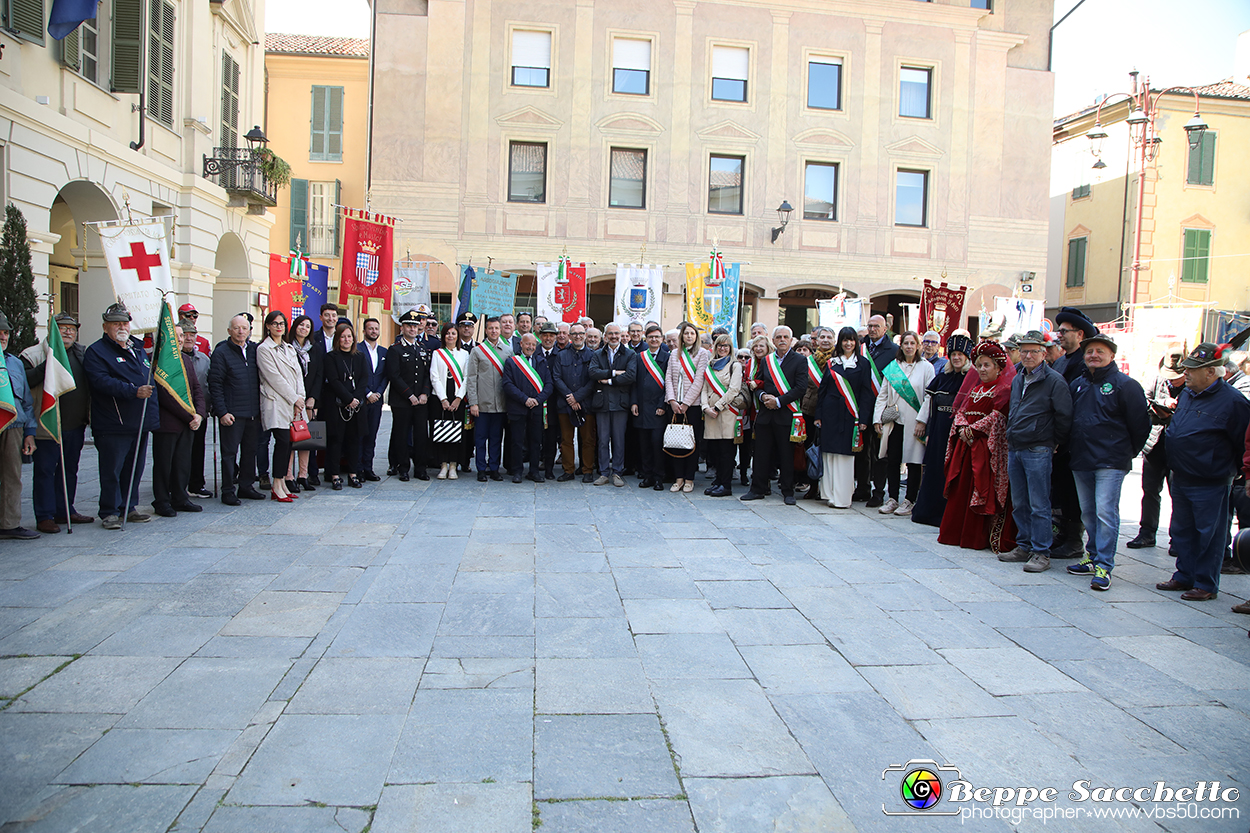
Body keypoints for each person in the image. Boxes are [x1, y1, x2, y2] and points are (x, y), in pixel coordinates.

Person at [1155, 344, 1250, 602]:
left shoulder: (1233, 402)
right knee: (1183, 529)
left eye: (1193, 369)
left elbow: (1243, 441)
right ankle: (1184, 575)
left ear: (1211, 372)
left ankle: (1206, 583)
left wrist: (1236, 470)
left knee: (1211, 534)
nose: (1186, 373)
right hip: (1182, 475)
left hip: (1211, 480)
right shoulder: (1188, 393)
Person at [1058, 333, 1149, 590]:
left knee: (1106, 512)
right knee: (1088, 512)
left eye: (1100, 351)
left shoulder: (1126, 385)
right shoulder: (1078, 384)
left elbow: (1140, 426)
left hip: (1111, 461)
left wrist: (1126, 453)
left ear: (1112, 355)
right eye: (1089, 352)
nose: (1093, 355)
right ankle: (1092, 555)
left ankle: (1104, 565)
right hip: (1081, 459)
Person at [998, 330, 1073, 573]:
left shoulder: (1054, 380)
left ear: (1044, 353)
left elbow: (1064, 416)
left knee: (1039, 503)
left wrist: (1053, 442)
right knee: (1020, 502)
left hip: (1038, 448)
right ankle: (1024, 545)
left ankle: (1041, 552)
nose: (1028, 355)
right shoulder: (1019, 377)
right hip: (1016, 446)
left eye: (1033, 351)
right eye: (1025, 351)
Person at [83, 302, 161, 528]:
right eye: (116, 323)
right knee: (112, 470)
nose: (121, 326)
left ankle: (129, 506)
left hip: (139, 421)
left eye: (125, 322)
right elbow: (101, 382)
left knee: (134, 468)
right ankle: (109, 511)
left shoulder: (137, 347)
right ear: (105, 326)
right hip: (113, 422)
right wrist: (133, 391)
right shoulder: (96, 351)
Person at [938, 340, 1017, 553]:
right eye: (979, 365)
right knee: (962, 488)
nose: (982, 369)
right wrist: (963, 427)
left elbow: (997, 417)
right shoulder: (976, 389)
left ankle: (976, 536)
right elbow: (962, 411)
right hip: (967, 447)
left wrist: (973, 430)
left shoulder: (1004, 389)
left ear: (999, 368)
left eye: (987, 365)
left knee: (981, 488)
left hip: (984, 450)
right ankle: (956, 532)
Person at [20, 312, 93, 533]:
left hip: (75, 424)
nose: (68, 331)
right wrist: (47, 365)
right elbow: (24, 383)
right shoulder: (32, 354)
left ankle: (65, 509)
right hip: (47, 425)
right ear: (52, 330)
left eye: (72, 328)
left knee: (69, 469)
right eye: (62, 328)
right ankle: (44, 515)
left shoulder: (82, 353)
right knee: (45, 471)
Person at [1049, 306, 1099, 557]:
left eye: (1064, 331)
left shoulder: (1084, 361)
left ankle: (1074, 541)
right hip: (1057, 435)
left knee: (1072, 491)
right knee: (1060, 489)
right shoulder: (1060, 360)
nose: (1059, 334)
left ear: (1080, 334)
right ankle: (1063, 534)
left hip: (1074, 438)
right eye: (1059, 330)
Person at [1128, 343, 1186, 549]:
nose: (1172, 379)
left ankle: (1177, 538)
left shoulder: (1192, 387)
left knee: (1177, 494)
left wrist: (1176, 410)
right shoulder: (1157, 379)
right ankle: (1146, 532)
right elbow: (1143, 401)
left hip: (1179, 447)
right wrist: (1161, 403)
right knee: (1150, 490)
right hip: (1154, 444)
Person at [741, 326, 807, 505]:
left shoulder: (800, 360)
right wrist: (762, 396)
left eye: (786, 337)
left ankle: (787, 491)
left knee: (786, 455)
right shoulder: (767, 360)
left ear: (791, 339)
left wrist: (778, 401)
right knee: (761, 454)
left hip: (786, 414)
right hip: (765, 414)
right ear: (774, 340)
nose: (782, 340)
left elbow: (801, 388)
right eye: (778, 337)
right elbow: (758, 385)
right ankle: (757, 489)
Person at [912, 334, 973, 526]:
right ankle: (928, 512)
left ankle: (949, 514)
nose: (956, 358)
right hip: (938, 431)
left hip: (957, 434)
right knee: (935, 470)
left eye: (960, 355)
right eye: (953, 354)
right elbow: (930, 403)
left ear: (967, 357)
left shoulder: (971, 379)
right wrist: (925, 426)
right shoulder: (942, 378)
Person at [872, 331, 934, 515]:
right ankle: (892, 498)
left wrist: (923, 420)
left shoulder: (926, 367)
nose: (908, 346)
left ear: (917, 346)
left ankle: (909, 500)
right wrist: (878, 418)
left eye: (912, 343)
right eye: (905, 343)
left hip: (915, 421)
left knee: (914, 462)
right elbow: (882, 395)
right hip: (894, 421)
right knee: (893, 460)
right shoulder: (893, 366)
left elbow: (930, 397)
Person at [208, 314, 266, 505]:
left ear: (250, 330)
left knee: (250, 452)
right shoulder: (221, 352)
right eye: (236, 328)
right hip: (232, 414)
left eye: (244, 328)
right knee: (229, 454)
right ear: (229, 331)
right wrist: (222, 412)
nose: (241, 331)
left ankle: (246, 486)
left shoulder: (255, 350)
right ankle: (227, 490)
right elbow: (215, 384)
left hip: (253, 413)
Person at [150, 322, 207, 516]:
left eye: (182, 336)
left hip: (188, 422)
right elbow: (165, 395)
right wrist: (189, 415)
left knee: (183, 463)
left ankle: (181, 498)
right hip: (168, 423)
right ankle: (162, 501)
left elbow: (197, 389)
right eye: (176, 336)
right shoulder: (158, 361)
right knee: (164, 465)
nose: (181, 339)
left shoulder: (185, 359)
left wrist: (199, 414)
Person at [815, 326, 871, 509]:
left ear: (856, 342)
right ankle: (829, 494)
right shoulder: (832, 363)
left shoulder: (863, 363)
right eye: (845, 340)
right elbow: (822, 391)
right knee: (829, 454)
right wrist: (819, 415)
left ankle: (842, 498)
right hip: (830, 414)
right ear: (840, 343)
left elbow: (866, 393)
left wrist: (863, 419)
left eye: (851, 340)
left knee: (845, 456)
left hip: (850, 415)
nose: (848, 343)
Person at [256, 311, 305, 503]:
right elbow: (274, 378)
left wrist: (300, 398)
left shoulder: (289, 347)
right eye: (275, 324)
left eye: (282, 324)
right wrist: (294, 398)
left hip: (294, 402)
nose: (279, 327)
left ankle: (283, 482)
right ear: (267, 326)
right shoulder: (264, 349)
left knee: (290, 443)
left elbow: (298, 374)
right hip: (276, 401)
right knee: (282, 441)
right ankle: (276, 483)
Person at [0, 312, 39, 538]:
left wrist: (30, 433)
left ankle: (9, 524)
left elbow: (25, 401)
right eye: (0, 333)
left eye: (5, 332)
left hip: (14, 427)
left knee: (12, 476)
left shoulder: (14, 363)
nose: (3, 337)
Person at [387, 310, 432, 482]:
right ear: (402, 327)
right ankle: (403, 467)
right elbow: (394, 375)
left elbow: (427, 373)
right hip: (402, 401)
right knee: (401, 435)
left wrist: (424, 393)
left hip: (421, 401)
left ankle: (420, 468)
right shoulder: (395, 349)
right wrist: (409, 395)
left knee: (421, 435)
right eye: (409, 326)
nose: (412, 329)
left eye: (415, 326)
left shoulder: (422, 348)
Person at [465, 316, 513, 481]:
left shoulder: (508, 351)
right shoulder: (477, 351)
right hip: (482, 405)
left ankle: (494, 468)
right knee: (480, 439)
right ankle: (480, 469)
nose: (494, 331)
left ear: (500, 330)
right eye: (490, 328)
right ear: (486, 330)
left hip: (501, 404)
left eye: (496, 328)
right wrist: (473, 403)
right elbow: (471, 379)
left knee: (496, 439)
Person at [664, 321, 710, 493]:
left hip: (693, 406)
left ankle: (689, 478)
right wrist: (672, 400)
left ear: (696, 336)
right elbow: (668, 378)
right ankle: (679, 478)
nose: (689, 336)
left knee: (691, 443)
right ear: (681, 336)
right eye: (686, 333)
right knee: (676, 443)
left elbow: (700, 380)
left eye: (692, 333)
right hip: (675, 405)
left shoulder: (703, 354)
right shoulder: (674, 353)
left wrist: (685, 403)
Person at [589, 322, 636, 486]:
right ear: (605, 336)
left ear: (621, 335)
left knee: (618, 440)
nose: (614, 336)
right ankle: (603, 473)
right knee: (602, 440)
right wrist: (615, 373)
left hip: (620, 403)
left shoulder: (630, 354)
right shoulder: (597, 354)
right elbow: (593, 372)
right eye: (610, 334)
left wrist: (608, 380)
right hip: (602, 403)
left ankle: (617, 472)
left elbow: (630, 376)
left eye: (617, 333)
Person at [502, 333, 553, 483]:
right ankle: (517, 471)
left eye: (533, 344)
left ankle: (534, 471)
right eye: (527, 344)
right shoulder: (512, 362)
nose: (530, 347)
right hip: (518, 407)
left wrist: (537, 400)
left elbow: (549, 385)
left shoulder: (541, 361)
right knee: (517, 441)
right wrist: (525, 399)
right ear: (521, 345)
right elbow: (507, 385)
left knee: (535, 441)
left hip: (536, 408)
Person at [323, 322, 368, 489]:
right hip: (337, 406)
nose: (346, 339)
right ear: (337, 339)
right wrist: (348, 398)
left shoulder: (360, 356)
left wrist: (356, 398)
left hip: (356, 406)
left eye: (349, 336)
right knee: (336, 441)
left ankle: (353, 474)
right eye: (343, 337)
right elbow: (333, 381)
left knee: (354, 441)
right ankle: (334, 475)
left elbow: (364, 379)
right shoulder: (331, 357)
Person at [860, 314, 899, 506]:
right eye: (870, 326)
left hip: (882, 408)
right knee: (862, 450)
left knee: (880, 453)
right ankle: (862, 488)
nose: (872, 329)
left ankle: (878, 491)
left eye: (877, 326)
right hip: (861, 406)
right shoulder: (861, 347)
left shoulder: (894, 351)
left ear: (885, 329)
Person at [552, 321, 598, 482]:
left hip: (586, 404)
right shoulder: (561, 355)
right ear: (570, 336)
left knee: (587, 440)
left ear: (585, 336)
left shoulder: (593, 356)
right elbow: (556, 377)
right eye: (574, 334)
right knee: (566, 440)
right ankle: (568, 470)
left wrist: (577, 397)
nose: (578, 336)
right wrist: (570, 397)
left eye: (581, 333)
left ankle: (587, 470)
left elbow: (593, 380)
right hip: (565, 404)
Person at [701, 333, 744, 497]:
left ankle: (726, 485)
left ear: (730, 348)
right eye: (720, 345)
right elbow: (704, 389)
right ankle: (718, 482)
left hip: (726, 413)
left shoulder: (735, 365)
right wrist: (705, 407)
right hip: (710, 414)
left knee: (726, 452)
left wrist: (718, 407)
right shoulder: (709, 365)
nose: (723, 348)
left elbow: (734, 389)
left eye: (726, 345)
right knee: (715, 452)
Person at [632, 324, 670, 491]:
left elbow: (670, 384)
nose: (654, 340)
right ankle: (647, 476)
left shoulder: (668, 358)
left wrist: (663, 404)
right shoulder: (640, 357)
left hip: (658, 409)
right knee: (644, 445)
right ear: (645, 339)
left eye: (657, 337)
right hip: (641, 408)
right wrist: (633, 402)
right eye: (650, 337)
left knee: (657, 445)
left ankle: (658, 477)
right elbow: (633, 382)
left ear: (662, 339)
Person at [179, 322, 214, 499]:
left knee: (198, 449)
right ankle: (177, 486)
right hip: (178, 413)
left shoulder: (204, 359)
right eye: (185, 334)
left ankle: (196, 484)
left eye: (192, 334)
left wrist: (209, 407)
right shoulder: (172, 360)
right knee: (179, 451)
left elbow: (208, 384)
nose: (189, 337)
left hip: (200, 412)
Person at [286, 314, 321, 491]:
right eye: (301, 325)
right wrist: (294, 398)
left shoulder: (315, 349)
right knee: (291, 438)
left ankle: (303, 475)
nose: (304, 329)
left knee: (307, 439)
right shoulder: (286, 348)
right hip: (290, 399)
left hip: (308, 402)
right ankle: (288, 476)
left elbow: (319, 375)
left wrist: (312, 398)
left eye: (307, 326)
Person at [430, 323, 468, 479]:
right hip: (440, 399)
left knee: (456, 432)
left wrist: (458, 398)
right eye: (447, 333)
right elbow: (434, 377)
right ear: (443, 336)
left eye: (453, 333)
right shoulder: (437, 353)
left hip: (458, 399)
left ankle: (454, 465)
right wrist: (443, 399)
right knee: (441, 431)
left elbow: (467, 377)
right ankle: (443, 465)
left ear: (457, 336)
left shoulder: (464, 354)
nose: (450, 336)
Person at [355, 318, 387, 481]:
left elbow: (385, 376)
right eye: (370, 328)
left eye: (376, 328)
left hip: (377, 401)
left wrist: (379, 393)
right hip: (362, 400)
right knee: (360, 435)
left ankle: (368, 468)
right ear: (364, 331)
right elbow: (357, 375)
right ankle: (358, 469)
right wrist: (368, 394)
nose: (374, 331)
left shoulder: (383, 352)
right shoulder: (357, 349)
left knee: (372, 436)